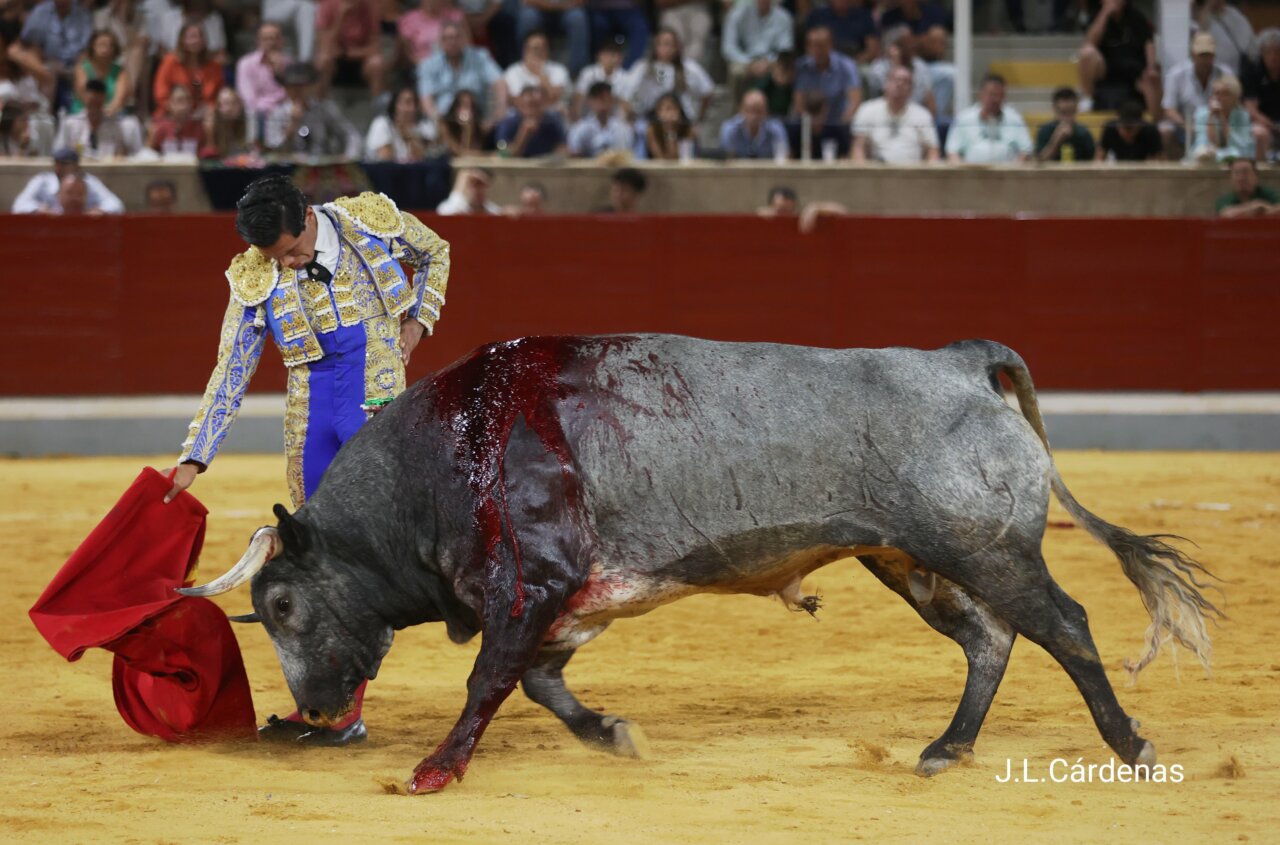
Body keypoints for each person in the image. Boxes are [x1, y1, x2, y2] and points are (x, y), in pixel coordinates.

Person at [164, 176, 449, 746]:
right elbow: (231, 368)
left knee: (382, 552)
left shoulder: (367, 219)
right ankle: (337, 710)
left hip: (376, 395)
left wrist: (421, 317)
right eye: (276, 258)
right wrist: (196, 455)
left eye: (293, 251)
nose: (288, 264)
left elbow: (436, 252)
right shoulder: (255, 273)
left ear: (307, 218)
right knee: (325, 566)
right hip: (310, 409)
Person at [1076, 0, 1161, 116]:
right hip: (1106, 68)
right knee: (1087, 53)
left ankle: (1155, 121)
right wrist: (1105, 13)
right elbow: (1090, 43)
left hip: (1134, 69)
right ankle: (1088, 99)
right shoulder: (1095, 17)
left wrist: (1151, 67)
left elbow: (1148, 43)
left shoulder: (1136, 16)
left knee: (1153, 76)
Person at [264, 60, 363, 158]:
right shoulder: (276, 113)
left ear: (311, 87)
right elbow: (273, 150)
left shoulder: (325, 110)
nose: (298, 91)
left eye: (302, 86)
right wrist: (291, 127)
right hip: (288, 169)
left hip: (321, 167)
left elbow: (351, 135)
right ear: (286, 88)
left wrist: (348, 157)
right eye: (293, 86)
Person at [8, 0, 93, 112]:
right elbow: (30, 44)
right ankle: (45, 115)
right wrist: (47, 63)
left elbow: (86, 50)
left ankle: (79, 115)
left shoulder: (83, 15)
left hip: (75, 66)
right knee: (46, 71)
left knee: (82, 72)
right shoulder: (40, 12)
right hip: (48, 64)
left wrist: (76, 67)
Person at [416, 20, 506, 123]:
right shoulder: (428, 64)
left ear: (463, 39)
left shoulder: (480, 57)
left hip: (477, 118)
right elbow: (425, 97)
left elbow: (500, 82)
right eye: (448, 38)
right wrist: (438, 122)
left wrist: (500, 111)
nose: (452, 42)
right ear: (441, 41)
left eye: (456, 37)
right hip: (443, 118)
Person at [618, 26, 713, 124]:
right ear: (655, 47)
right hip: (650, 119)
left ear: (677, 47)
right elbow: (624, 93)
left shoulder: (689, 67)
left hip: (681, 121)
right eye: (661, 44)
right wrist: (630, 117)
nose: (665, 48)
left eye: (669, 44)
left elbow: (707, 91)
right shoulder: (643, 67)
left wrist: (700, 119)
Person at [792, 25, 860, 156]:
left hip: (838, 123)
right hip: (809, 124)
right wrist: (811, 122)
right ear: (808, 47)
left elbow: (855, 100)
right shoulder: (801, 67)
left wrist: (841, 123)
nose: (818, 50)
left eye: (822, 45)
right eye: (814, 45)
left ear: (831, 45)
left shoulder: (846, 65)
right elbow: (798, 103)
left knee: (847, 132)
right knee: (795, 128)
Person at [1162, 32, 1234, 155]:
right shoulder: (1175, 74)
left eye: (1209, 55)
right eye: (1202, 55)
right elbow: (1169, 109)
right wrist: (1187, 127)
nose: (1206, 59)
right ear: (1193, 55)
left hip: (1218, 123)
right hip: (1185, 125)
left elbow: (1233, 102)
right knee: (1165, 131)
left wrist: (1221, 119)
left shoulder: (1225, 73)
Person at [851, 64, 939, 164]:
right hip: (876, 174)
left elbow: (933, 151)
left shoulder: (922, 115)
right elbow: (858, 147)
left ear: (911, 90)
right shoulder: (867, 110)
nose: (899, 84)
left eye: (905, 82)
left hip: (913, 174)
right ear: (885, 85)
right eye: (895, 80)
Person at [945, 73, 1032, 164]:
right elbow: (952, 152)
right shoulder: (964, 119)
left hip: (1008, 174)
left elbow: (1026, 150)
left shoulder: (1015, 119)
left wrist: (1015, 171)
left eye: (1000, 95)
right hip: (970, 174)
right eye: (992, 95)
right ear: (981, 95)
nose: (996, 100)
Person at [721, 0, 793, 107]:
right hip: (745, 60)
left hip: (773, 61)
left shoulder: (784, 17)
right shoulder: (737, 14)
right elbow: (728, 48)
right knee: (736, 71)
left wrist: (769, 62)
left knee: (784, 73)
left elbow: (785, 48)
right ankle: (737, 112)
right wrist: (749, 63)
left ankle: (777, 114)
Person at [11, 147, 124, 213]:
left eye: (65, 164)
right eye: (58, 164)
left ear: (76, 166)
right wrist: (39, 210)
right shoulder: (42, 181)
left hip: (82, 230)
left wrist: (99, 211)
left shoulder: (89, 182)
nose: (60, 168)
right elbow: (18, 206)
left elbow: (116, 205)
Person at [54, 77, 145, 158]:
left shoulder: (115, 125)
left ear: (103, 100)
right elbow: (58, 152)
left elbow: (123, 153)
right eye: (91, 104)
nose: (94, 109)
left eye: (97, 104)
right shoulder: (70, 123)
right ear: (84, 100)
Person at [152, 21, 222, 119]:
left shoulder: (214, 66)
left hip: (205, 116)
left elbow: (219, 96)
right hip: (172, 114)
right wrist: (177, 108)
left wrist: (211, 108)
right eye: (192, 37)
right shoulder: (170, 62)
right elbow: (161, 94)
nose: (196, 40)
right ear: (182, 40)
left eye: (199, 36)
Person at [315, 0, 385, 97]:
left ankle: (379, 109)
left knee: (377, 63)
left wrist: (352, 53)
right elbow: (325, 47)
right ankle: (318, 105)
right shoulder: (327, 5)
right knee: (323, 60)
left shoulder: (369, 6)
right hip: (335, 61)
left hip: (360, 59)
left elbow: (376, 47)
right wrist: (341, 17)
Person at [236, 22, 290, 141]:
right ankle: (255, 149)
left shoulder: (290, 64)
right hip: (258, 111)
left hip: (283, 110)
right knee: (251, 112)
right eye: (265, 39)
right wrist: (267, 108)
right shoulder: (246, 64)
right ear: (258, 41)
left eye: (274, 38)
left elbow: (292, 94)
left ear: (281, 41)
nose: (270, 43)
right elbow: (247, 97)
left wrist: (279, 70)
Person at [517, 0, 589, 78]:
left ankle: (576, 74)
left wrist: (559, 6)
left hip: (567, 9)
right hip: (538, 8)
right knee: (528, 16)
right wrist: (552, 6)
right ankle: (523, 66)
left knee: (577, 17)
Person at [1192, 74, 1254, 162]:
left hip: (1236, 152)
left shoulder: (1243, 115)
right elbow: (1206, 142)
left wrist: (1222, 117)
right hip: (1208, 154)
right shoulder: (1202, 113)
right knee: (1202, 152)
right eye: (1217, 93)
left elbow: (1240, 144)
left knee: (1237, 154)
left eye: (1226, 93)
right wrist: (1211, 116)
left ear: (1235, 97)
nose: (1219, 97)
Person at [503, 29, 570, 107]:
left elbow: (555, 97)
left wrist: (540, 74)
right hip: (522, 117)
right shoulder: (513, 71)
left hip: (552, 115)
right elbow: (515, 100)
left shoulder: (559, 69)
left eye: (543, 48)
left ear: (547, 50)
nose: (539, 52)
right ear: (525, 50)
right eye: (535, 48)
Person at [495, 85, 567, 157]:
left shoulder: (552, 122)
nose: (532, 111)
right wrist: (523, 134)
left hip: (544, 166)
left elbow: (562, 148)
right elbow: (503, 154)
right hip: (515, 167)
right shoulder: (508, 124)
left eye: (536, 105)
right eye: (528, 105)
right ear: (519, 104)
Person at [71, 29, 130, 116]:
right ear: (93, 47)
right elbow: (84, 95)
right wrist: (98, 112)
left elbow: (119, 99)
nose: (105, 50)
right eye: (101, 45)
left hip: (111, 114)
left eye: (109, 46)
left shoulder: (120, 72)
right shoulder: (82, 69)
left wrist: (111, 109)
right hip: (85, 113)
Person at [366, 85, 433, 161]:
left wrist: (408, 137)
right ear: (395, 105)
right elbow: (385, 161)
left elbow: (422, 160)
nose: (413, 108)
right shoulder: (381, 124)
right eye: (407, 102)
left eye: (415, 103)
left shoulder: (423, 126)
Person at [568, 80, 634, 157]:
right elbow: (573, 156)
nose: (604, 103)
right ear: (590, 101)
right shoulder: (580, 129)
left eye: (608, 99)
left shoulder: (622, 129)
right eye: (600, 98)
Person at [719, 88, 788, 159]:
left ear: (766, 112)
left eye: (758, 111)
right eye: (749, 110)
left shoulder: (776, 129)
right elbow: (727, 160)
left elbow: (783, 159)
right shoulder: (729, 130)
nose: (754, 116)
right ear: (741, 110)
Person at [1243, 28, 1280, 160]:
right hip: (1261, 121)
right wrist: (1270, 124)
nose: (1273, 57)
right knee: (1260, 134)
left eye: (1277, 52)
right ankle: (1261, 171)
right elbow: (1250, 108)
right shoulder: (1253, 72)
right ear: (1262, 54)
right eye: (1269, 52)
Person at [1194, 0, 1256, 76]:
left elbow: (1251, 47)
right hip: (1211, 74)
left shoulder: (1236, 16)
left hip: (1236, 74)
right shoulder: (1202, 18)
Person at [1035, 87, 1096, 163]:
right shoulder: (1045, 130)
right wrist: (1056, 141)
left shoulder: (1084, 133)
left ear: (1076, 109)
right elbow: (1039, 161)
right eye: (1063, 113)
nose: (1067, 119)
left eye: (1070, 113)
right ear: (1054, 109)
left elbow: (1092, 162)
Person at [807, 0, 878, 64]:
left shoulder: (864, 15)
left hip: (858, 62)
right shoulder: (818, 15)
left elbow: (872, 49)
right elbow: (810, 46)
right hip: (825, 63)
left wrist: (851, 64)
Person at [399, 0, 465, 66]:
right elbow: (406, 51)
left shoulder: (455, 16)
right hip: (421, 64)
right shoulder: (409, 19)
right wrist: (422, 63)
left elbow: (466, 45)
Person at [586, 0, 649, 69]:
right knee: (597, 26)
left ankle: (627, 69)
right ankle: (595, 67)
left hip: (627, 9)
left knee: (640, 27)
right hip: (600, 9)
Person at [573, 39, 626, 119]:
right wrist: (578, 120)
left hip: (614, 118)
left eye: (617, 55)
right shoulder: (588, 73)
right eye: (610, 54)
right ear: (600, 55)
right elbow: (578, 98)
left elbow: (624, 103)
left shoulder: (624, 76)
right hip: (589, 116)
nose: (614, 59)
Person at [1096, 98, 1163, 161]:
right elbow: (1099, 157)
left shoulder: (1150, 131)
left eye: (1130, 128)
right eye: (1124, 127)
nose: (1126, 132)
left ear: (1139, 126)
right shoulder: (1110, 129)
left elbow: (1158, 160)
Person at [148, 83, 206, 154]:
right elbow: (148, 156)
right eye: (179, 101)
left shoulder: (199, 128)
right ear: (169, 104)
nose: (184, 106)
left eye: (187, 100)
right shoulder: (160, 128)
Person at [202, 87, 254, 160]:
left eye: (234, 103)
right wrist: (210, 136)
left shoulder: (247, 123)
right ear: (219, 108)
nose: (230, 108)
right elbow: (208, 155)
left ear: (240, 106)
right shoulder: (211, 125)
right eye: (226, 103)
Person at [654, 0, 711, 66]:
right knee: (670, 38)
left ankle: (690, 71)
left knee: (696, 48)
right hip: (672, 9)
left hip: (699, 9)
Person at [643, 91, 692, 160]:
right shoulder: (652, 129)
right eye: (661, 109)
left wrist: (672, 131)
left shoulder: (687, 129)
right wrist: (669, 130)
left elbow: (683, 158)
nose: (664, 114)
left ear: (679, 110)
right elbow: (661, 159)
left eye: (670, 109)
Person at [437, 88, 487, 154]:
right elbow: (459, 151)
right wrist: (465, 129)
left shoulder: (479, 129)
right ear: (455, 107)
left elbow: (476, 150)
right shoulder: (445, 125)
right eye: (463, 105)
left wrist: (469, 129)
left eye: (469, 106)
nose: (465, 110)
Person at [436, 166, 502, 213]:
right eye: (474, 184)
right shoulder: (453, 207)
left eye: (483, 185)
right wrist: (462, 179)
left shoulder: (492, 210)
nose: (478, 190)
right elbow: (445, 213)